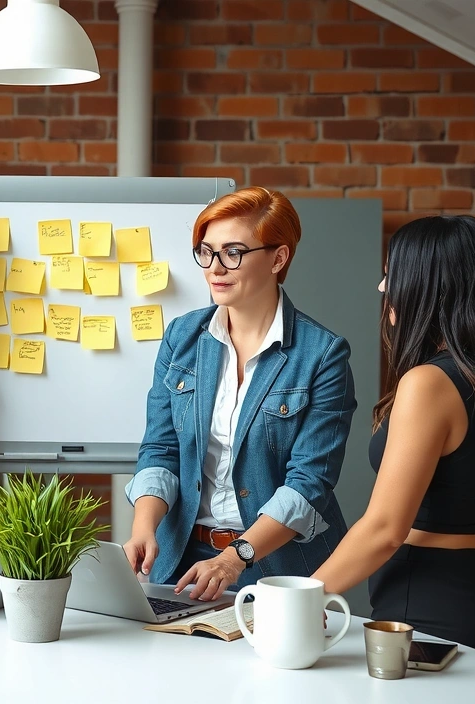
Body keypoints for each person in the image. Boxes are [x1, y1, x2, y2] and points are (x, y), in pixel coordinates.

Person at [312, 215, 475, 663]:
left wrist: (303, 597)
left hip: (432, 609)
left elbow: (384, 528)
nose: (383, 290)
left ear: (429, 286)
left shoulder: (430, 384)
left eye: (392, 275)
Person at [122, 187, 356, 600]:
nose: (215, 267)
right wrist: (144, 526)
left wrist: (234, 557)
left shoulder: (322, 354)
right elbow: (160, 448)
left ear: (278, 258)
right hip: (180, 559)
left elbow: (309, 483)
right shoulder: (182, 337)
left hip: (276, 565)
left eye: (233, 252)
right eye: (206, 251)